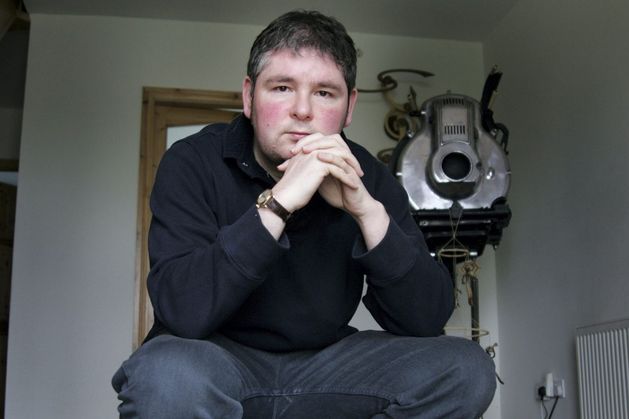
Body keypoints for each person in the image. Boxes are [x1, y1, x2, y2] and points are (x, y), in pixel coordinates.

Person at [112, 10, 496, 418]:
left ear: (349, 107)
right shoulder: (192, 161)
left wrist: (366, 212)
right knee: (165, 376)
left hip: (329, 366)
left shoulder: (368, 177)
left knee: (466, 369)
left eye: (325, 93)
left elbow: (426, 319)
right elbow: (182, 312)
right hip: (215, 360)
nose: (302, 110)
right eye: (282, 87)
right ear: (248, 97)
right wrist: (279, 203)